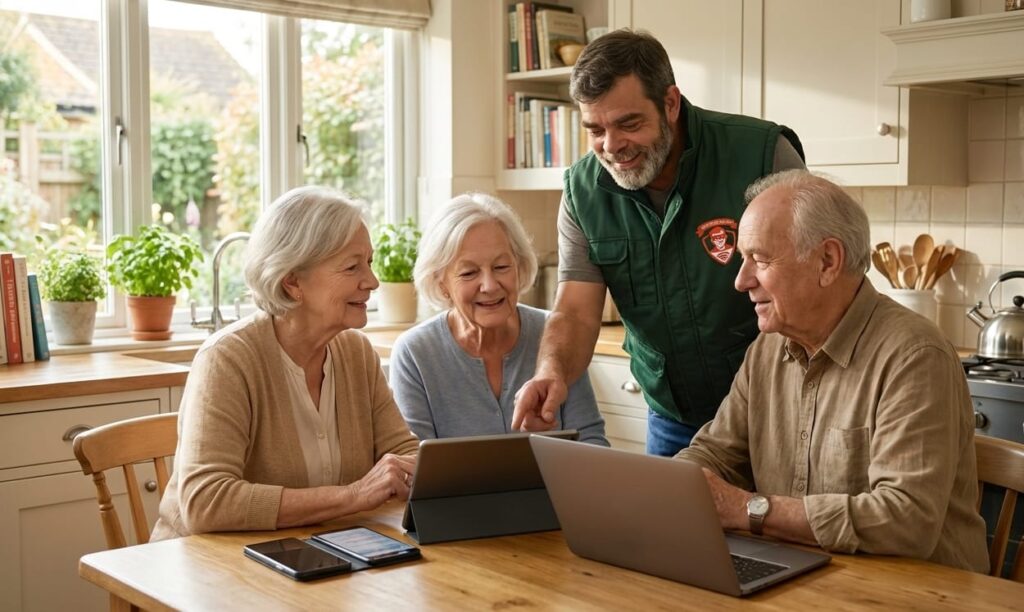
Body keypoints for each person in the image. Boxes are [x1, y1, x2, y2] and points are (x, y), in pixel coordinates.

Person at [676, 170, 989, 572]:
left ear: (827, 261)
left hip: (919, 590)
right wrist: (674, 484)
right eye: (742, 260)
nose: (741, 281)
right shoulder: (767, 349)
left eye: (760, 259)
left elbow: (905, 519)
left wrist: (746, 509)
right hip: (807, 573)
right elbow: (715, 453)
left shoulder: (915, 356)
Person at [512, 29, 806, 456]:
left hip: (779, 413)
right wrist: (551, 373)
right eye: (595, 130)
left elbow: (812, 290)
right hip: (674, 418)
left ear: (670, 103)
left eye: (628, 124)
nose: (612, 146)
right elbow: (574, 312)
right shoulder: (583, 191)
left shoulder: (762, 154)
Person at [151, 186, 419, 540]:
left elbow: (405, 454)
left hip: (316, 552)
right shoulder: (227, 359)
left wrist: (417, 471)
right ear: (292, 281)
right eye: (352, 267)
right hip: (207, 564)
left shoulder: (357, 353)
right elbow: (206, 502)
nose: (372, 281)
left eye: (368, 263)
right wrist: (352, 496)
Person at [390, 192, 608, 445]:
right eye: (469, 273)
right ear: (441, 283)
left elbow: (593, 442)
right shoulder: (415, 352)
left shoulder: (556, 334)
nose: (490, 286)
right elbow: (413, 460)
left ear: (520, 266)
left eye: (501, 267)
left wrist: (550, 443)